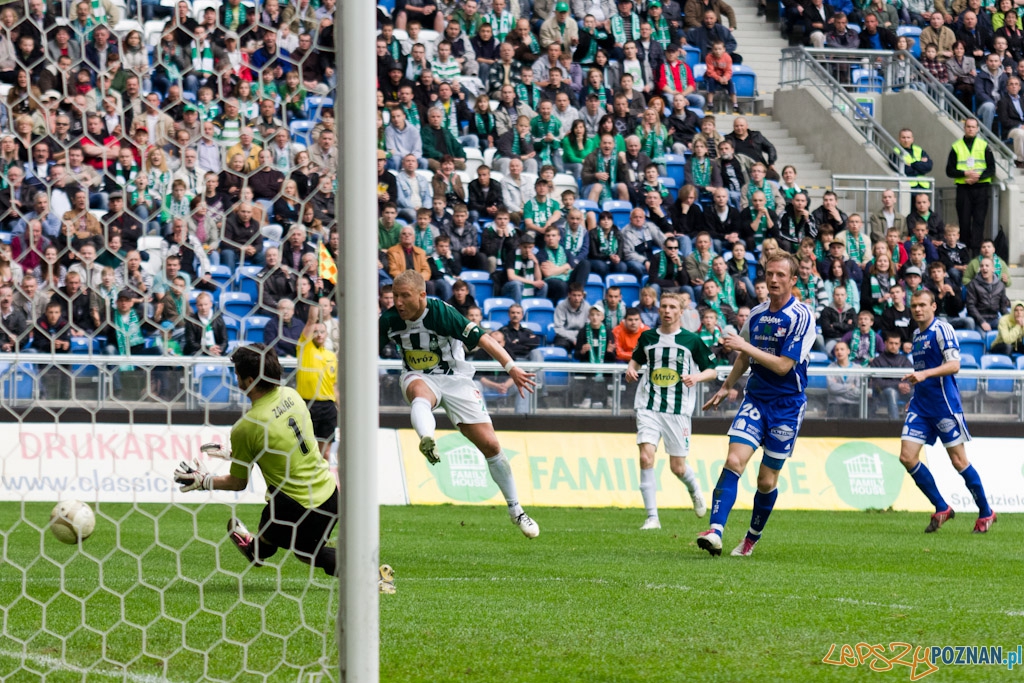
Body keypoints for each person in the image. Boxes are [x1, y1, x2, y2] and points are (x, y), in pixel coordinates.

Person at [380, 270, 540, 538]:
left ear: (422, 295)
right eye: (395, 296)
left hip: (456, 378)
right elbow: (361, 346)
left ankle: (516, 510)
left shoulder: (443, 313)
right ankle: (427, 438)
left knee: (490, 445)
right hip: (418, 375)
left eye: (404, 296)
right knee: (420, 395)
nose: (398, 302)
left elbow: (484, 339)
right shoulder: (388, 320)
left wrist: (511, 368)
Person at [172, 344, 340, 577]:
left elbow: (237, 483)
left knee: (302, 552)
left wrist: (204, 481)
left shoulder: (247, 427)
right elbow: (283, 442)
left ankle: (367, 572)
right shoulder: (291, 394)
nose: (236, 378)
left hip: (296, 505)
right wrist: (237, 454)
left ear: (249, 380)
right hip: (330, 494)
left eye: (238, 374)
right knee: (303, 549)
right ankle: (367, 573)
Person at [698, 252, 815, 557]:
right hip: (756, 400)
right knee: (734, 461)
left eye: (780, 275)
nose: (773, 280)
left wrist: (744, 345)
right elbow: (744, 356)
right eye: (769, 274)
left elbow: (783, 366)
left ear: (792, 280)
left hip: (787, 406)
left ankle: (750, 538)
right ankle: (715, 531)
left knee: (766, 481)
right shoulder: (757, 314)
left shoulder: (801, 316)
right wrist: (726, 386)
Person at [897, 289, 995, 534]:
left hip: (944, 407)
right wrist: (915, 395)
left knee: (958, 461)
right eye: (914, 306)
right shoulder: (917, 334)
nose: (917, 309)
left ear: (933, 306)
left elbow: (954, 365)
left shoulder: (942, 329)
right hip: (921, 406)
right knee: (907, 457)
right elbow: (923, 373)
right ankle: (942, 507)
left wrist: (923, 374)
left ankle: (986, 512)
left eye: (922, 305)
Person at [626, 292, 717, 529]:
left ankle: (694, 488)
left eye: (672, 307)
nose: (667, 311)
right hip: (648, 405)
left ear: (680, 311)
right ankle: (652, 517)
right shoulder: (647, 337)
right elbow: (635, 360)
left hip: (678, 411)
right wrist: (630, 369)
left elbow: (713, 370)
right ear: (659, 310)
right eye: (663, 306)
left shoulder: (691, 340)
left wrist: (696, 377)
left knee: (677, 467)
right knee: (646, 456)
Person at [946, 117, 993, 256]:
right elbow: (949, 170)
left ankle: (977, 254)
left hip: (981, 188)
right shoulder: (956, 146)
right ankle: (965, 253)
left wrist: (977, 177)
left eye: (973, 127)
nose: (971, 129)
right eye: (968, 126)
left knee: (979, 221)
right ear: (964, 128)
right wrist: (964, 173)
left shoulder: (984, 145)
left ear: (977, 129)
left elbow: (991, 169)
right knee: (964, 222)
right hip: (964, 189)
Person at [296, 305, 337, 458]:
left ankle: (323, 481)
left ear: (327, 334)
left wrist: (339, 407)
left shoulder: (331, 356)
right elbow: (309, 323)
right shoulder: (305, 348)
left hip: (328, 406)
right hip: (308, 405)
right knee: (307, 451)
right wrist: (313, 314)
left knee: (325, 453)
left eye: (322, 332)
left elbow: (335, 385)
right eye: (315, 332)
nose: (319, 335)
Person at [870, 331, 913, 420]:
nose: (893, 346)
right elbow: (876, 382)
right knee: (892, 392)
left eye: (896, 343)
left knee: (918, 393)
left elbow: (911, 377)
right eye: (891, 343)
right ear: (885, 343)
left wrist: (907, 385)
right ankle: (895, 424)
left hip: (904, 392)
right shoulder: (877, 361)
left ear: (900, 344)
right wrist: (897, 385)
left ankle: (915, 424)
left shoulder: (904, 360)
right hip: (883, 393)